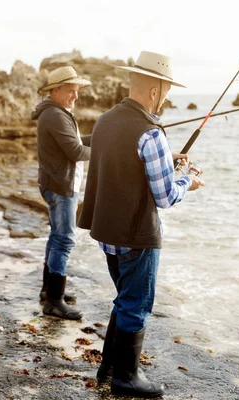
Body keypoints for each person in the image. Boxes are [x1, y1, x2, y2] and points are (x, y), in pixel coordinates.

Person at [78, 51, 205, 397]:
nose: (165, 98)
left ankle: (108, 367)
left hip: (107, 233)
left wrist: (170, 158)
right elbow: (165, 196)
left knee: (124, 298)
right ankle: (126, 377)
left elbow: (121, 160)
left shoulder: (105, 121)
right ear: (153, 91)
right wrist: (188, 182)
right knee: (136, 304)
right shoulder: (151, 134)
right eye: (165, 91)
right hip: (136, 235)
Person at [31, 66, 92, 320]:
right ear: (55, 90)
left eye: (77, 91)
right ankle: (54, 301)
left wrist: (104, 139)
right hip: (60, 186)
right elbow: (76, 152)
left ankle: (49, 291)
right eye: (71, 91)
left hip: (55, 182)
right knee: (65, 239)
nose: (76, 97)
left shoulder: (55, 112)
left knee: (57, 236)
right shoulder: (55, 115)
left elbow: (75, 142)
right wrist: (110, 153)